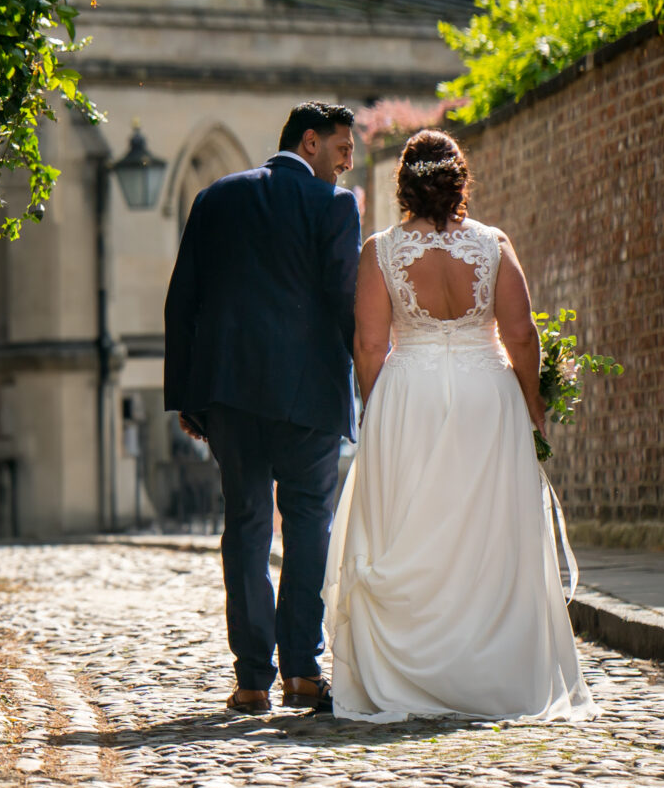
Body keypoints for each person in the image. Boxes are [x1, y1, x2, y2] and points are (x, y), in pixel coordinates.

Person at [322, 130, 591, 721]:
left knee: (417, 528)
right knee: (489, 532)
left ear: (404, 184)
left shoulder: (382, 250)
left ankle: (412, 669)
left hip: (409, 394)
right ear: (459, 181)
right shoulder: (492, 245)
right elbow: (520, 336)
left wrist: (376, 410)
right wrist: (532, 404)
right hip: (485, 398)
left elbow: (369, 345)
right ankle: (492, 670)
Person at [163, 102, 362, 714]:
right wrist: (366, 376)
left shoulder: (215, 198)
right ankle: (302, 670)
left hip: (231, 396)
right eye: (341, 152)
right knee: (309, 527)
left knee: (246, 527)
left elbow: (183, 304)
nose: (346, 166)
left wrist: (188, 398)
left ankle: (252, 679)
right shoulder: (334, 207)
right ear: (309, 143)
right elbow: (342, 298)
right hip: (310, 398)